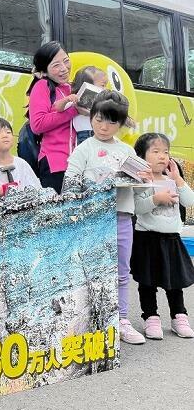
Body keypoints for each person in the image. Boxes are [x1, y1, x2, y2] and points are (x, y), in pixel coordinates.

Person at [63, 90, 147, 345]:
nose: (104, 126)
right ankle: (84, 322)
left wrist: (143, 180)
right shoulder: (84, 147)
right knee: (87, 271)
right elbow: (70, 184)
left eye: (112, 121)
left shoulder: (127, 150)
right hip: (91, 219)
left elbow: (140, 187)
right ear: (91, 117)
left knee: (122, 272)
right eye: (99, 119)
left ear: (121, 124)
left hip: (121, 218)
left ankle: (121, 320)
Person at [130, 133, 194, 339]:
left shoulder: (172, 180)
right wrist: (155, 198)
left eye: (165, 152)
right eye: (155, 152)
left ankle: (179, 316)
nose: (162, 157)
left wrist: (178, 179)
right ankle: (151, 317)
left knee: (174, 281)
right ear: (142, 156)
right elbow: (137, 208)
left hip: (171, 240)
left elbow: (189, 201)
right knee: (147, 282)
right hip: (147, 239)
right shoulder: (141, 181)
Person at [27, 42, 79, 193]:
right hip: (55, 163)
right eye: (56, 65)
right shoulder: (42, 86)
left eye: (66, 60)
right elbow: (37, 124)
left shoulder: (71, 88)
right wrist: (72, 111)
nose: (64, 68)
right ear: (44, 72)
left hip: (77, 163)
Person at [0, 117, 41, 197]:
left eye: (8, 132)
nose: (5, 136)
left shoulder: (21, 164)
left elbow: (37, 190)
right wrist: (0, 191)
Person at [70, 66, 108, 145]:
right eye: (103, 85)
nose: (105, 89)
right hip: (85, 135)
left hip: (98, 134)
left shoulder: (101, 102)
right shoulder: (76, 99)